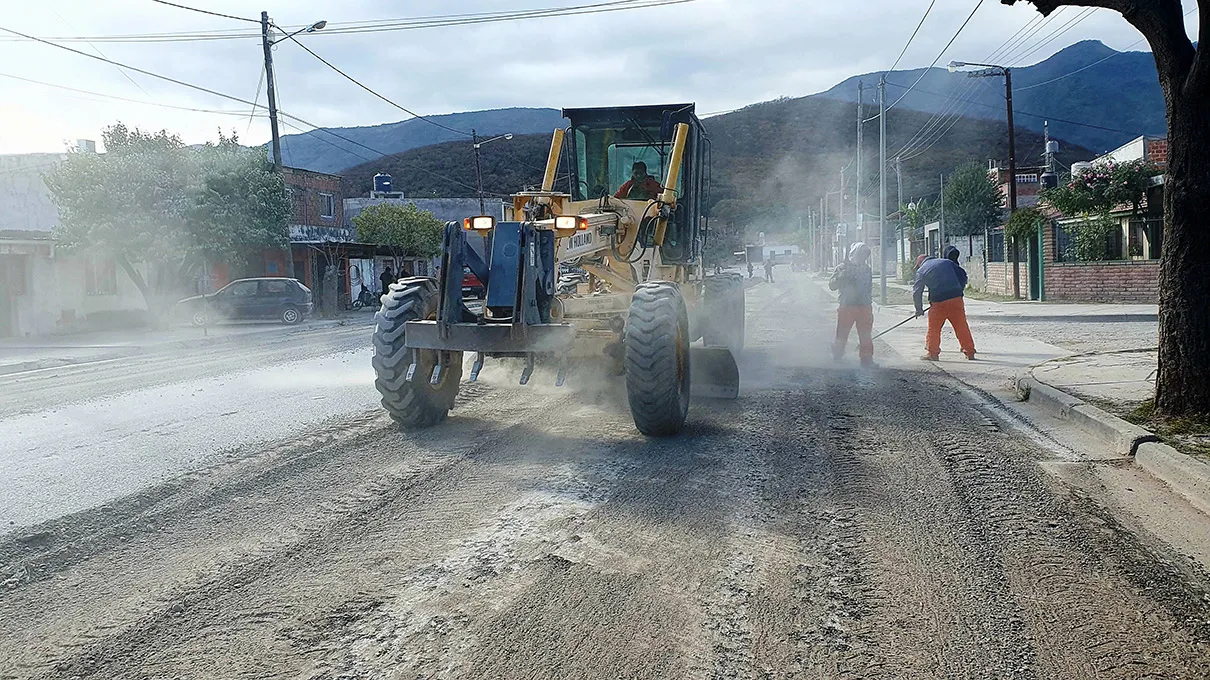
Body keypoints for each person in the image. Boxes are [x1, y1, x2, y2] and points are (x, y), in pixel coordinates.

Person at [913, 245, 975, 361]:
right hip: (956, 300)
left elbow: (917, 291)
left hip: (938, 303)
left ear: (920, 263)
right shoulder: (946, 262)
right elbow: (962, 275)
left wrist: (918, 309)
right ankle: (970, 352)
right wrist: (959, 291)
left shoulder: (921, 271)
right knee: (961, 326)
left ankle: (933, 353)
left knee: (934, 329)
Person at [830, 242, 875, 367]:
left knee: (865, 334)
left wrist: (869, 304)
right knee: (842, 334)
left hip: (864, 306)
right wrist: (841, 277)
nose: (864, 257)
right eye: (861, 254)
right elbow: (832, 286)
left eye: (866, 254)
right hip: (847, 306)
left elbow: (869, 287)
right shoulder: (842, 267)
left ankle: (866, 359)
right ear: (855, 253)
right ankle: (837, 357)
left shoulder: (867, 269)